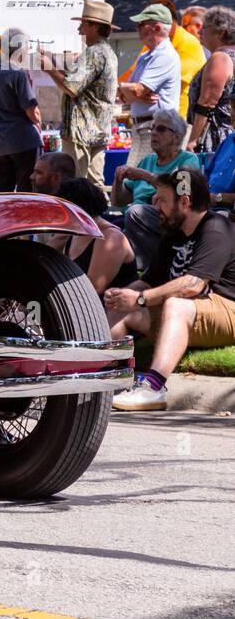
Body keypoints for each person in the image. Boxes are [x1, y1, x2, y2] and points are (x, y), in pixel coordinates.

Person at [105, 169, 235, 411]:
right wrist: (124, 295)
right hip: (191, 313)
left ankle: (153, 388)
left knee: (176, 304)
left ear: (184, 202)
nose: (156, 206)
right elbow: (150, 281)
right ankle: (104, 377)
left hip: (227, 307)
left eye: (162, 200)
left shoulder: (216, 228)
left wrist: (141, 299)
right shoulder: (173, 232)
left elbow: (193, 284)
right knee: (120, 305)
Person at [111, 107, 201, 272]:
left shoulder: (188, 160)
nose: (153, 133)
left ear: (177, 137)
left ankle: (150, 267)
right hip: (135, 221)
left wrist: (146, 176)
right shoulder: (148, 160)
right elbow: (119, 201)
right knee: (105, 225)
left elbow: (183, 193)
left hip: (168, 220)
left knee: (135, 212)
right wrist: (118, 180)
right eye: (152, 128)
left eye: (160, 129)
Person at [45, 0, 118, 180]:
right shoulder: (107, 52)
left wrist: (48, 68)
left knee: (76, 183)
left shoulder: (94, 53)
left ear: (95, 27)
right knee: (94, 183)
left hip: (82, 130)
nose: (79, 29)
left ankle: (84, 209)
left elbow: (71, 87)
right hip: (97, 129)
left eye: (83, 23)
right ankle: (98, 209)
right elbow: (79, 82)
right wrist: (55, 67)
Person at [119, 3, 182, 169]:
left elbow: (138, 90)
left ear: (157, 27)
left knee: (142, 181)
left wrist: (131, 90)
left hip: (155, 130)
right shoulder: (146, 56)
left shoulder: (165, 55)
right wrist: (127, 89)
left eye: (141, 24)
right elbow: (125, 95)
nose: (137, 28)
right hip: (145, 128)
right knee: (136, 180)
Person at [50, 178, 136, 294]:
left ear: (76, 209)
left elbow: (93, 288)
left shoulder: (110, 236)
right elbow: (43, 259)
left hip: (111, 309)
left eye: (61, 209)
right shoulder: (73, 233)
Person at [0, 28, 43, 192]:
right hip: (25, 141)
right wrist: (39, 124)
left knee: (1, 193)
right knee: (27, 190)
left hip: (2, 143)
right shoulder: (18, 74)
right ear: (21, 49)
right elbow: (32, 111)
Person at [185, 4, 235, 155]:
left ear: (220, 32)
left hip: (213, 138)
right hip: (227, 135)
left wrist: (193, 139)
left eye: (205, 28)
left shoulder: (220, 57)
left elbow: (207, 102)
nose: (200, 32)